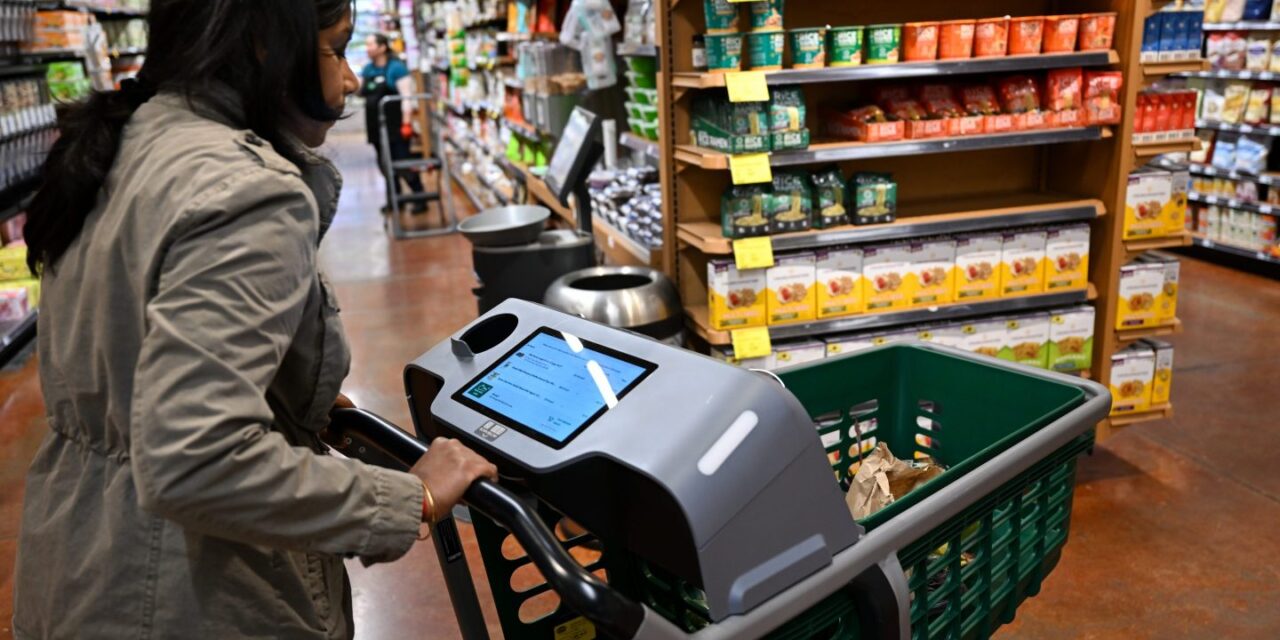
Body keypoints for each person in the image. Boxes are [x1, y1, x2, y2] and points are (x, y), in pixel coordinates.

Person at [14, 2, 497, 638]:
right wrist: (414, 498)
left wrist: (285, 396)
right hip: (189, 594)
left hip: (81, 560)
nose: (350, 80)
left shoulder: (125, 142)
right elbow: (198, 460)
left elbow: (134, 351)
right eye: (335, 49)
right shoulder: (245, 191)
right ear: (269, 47)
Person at [361, 32, 427, 213]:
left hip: (395, 126)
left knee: (402, 161)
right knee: (384, 164)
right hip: (375, 126)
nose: (367, 49)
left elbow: (406, 98)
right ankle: (395, 200)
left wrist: (406, 123)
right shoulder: (368, 69)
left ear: (382, 47)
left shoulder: (396, 68)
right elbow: (361, 90)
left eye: (371, 45)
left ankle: (420, 196)